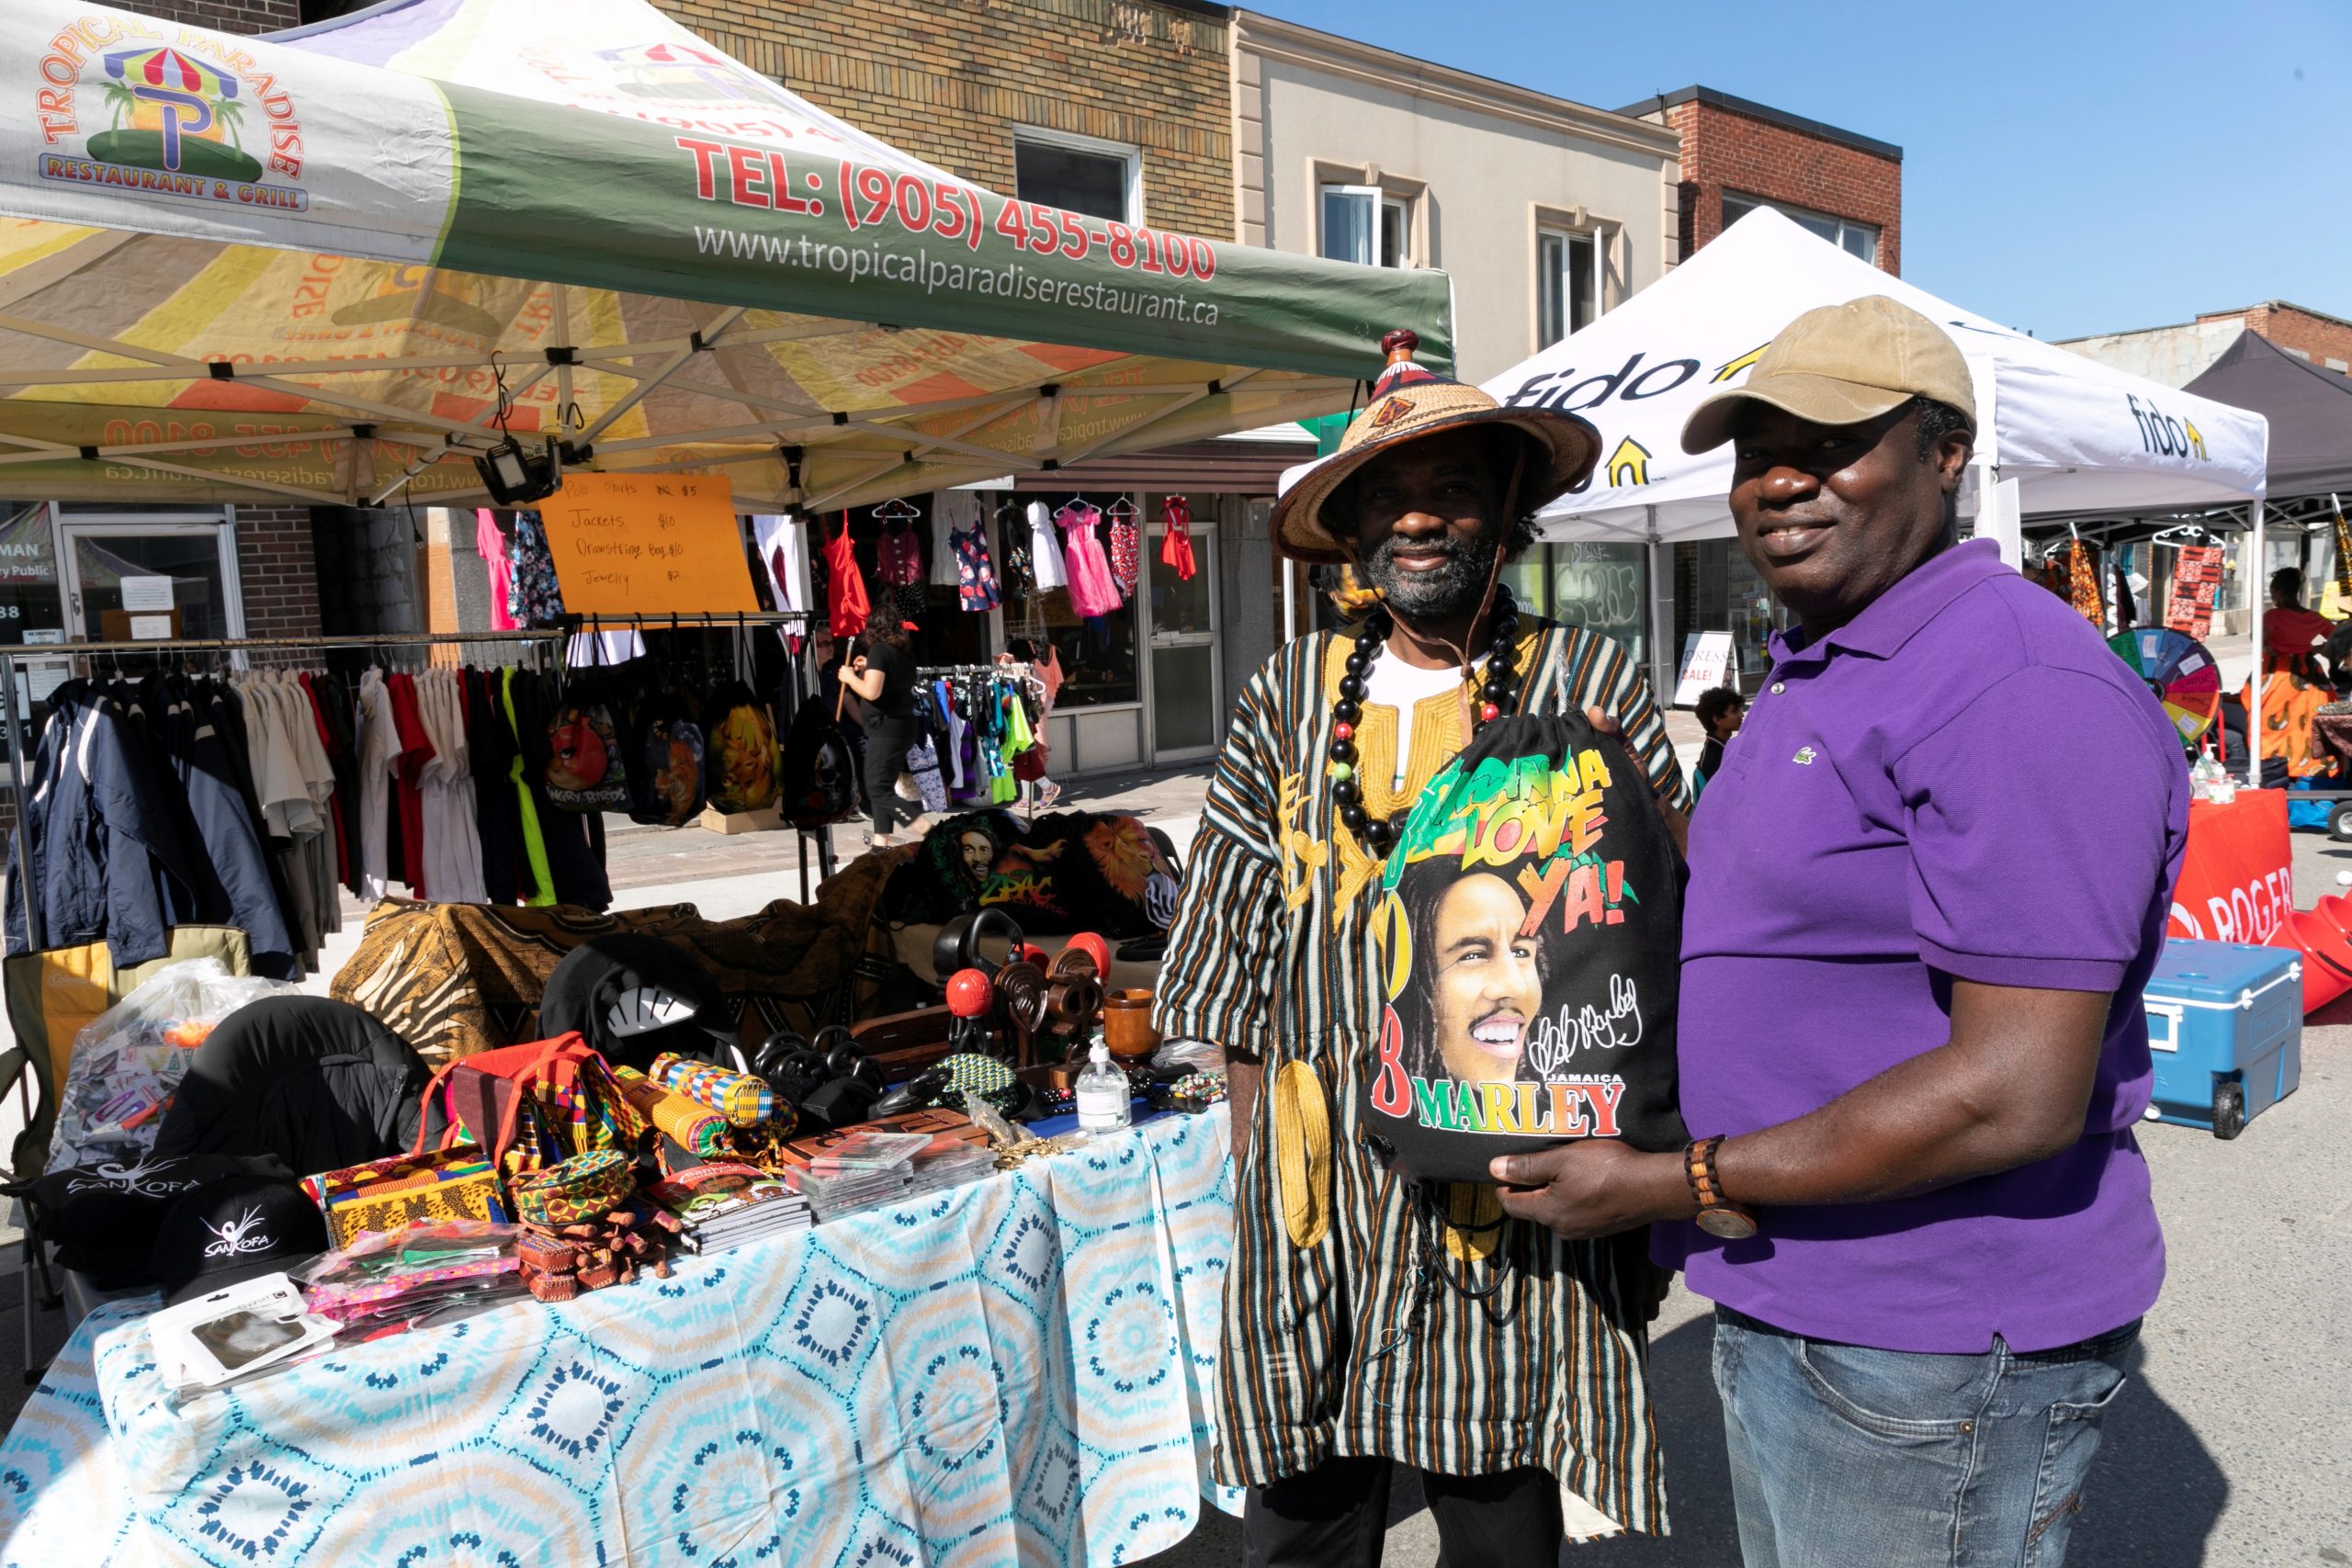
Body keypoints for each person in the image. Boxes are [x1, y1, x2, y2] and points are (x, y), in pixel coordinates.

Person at [1485, 295, 2186, 1568]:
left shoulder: (2015, 683)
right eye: (1756, 453)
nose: (1780, 481)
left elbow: (2010, 1094)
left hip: (1931, 1347)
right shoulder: (1835, 660)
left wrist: (1675, 1181)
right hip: (1812, 1305)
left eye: (1831, 440)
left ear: (1947, 451)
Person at [1152, 330, 1688, 1563]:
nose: (1419, 522)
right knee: (1304, 1516)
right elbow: (1230, 931)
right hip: (1317, 1177)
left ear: (1504, 510)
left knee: (1497, 1514)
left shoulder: (1582, 674)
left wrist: (1635, 793)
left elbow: (1661, 932)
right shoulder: (1290, 693)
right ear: (1354, 533)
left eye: (1451, 492)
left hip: (1500, 1185)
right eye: (1389, 499)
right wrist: (1261, 1159)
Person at [835, 611, 922, 847]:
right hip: (901, 727)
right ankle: (880, 844)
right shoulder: (904, 653)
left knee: (878, 789)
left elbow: (872, 692)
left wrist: (850, 677)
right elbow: (888, 683)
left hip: (885, 729)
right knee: (883, 785)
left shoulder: (880, 651)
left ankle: (928, 830)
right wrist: (866, 666)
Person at [2262, 568, 2333, 676]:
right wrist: (2316, 649)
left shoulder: (2273, 615)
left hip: (2276, 672)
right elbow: (2340, 639)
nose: (2272, 598)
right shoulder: (2315, 618)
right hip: (2307, 672)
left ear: (2279, 594)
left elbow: (2257, 637)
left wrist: (2265, 646)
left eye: (2272, 594)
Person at [1692, 685, 1744, 795]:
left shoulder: (1722, 748)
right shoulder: (1714, 758)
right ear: (1717, 720)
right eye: (1734, 711)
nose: (1741, 715)